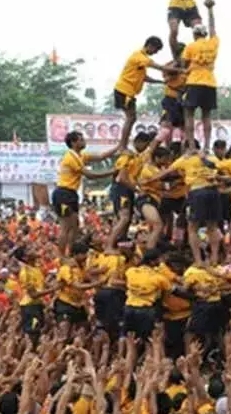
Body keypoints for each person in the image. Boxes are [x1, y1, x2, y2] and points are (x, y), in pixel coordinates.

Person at [53, 115, 133, 256]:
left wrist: (118, 147)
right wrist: (112, 172)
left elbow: (101, 156)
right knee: (66, 227)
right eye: (81, 139)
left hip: (71, 194)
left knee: (75, 227)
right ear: (73, 142)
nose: (84, 141)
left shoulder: (80, 155)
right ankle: (61, 256)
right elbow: (89, 175)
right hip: (63, 193)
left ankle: (70, 253)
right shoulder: (70, 157)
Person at [181, 17, 220, 162]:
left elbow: (184, 64)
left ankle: (191, 147)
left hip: (194, 82)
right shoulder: (213, 43)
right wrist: (210, 10)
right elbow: (213, 28)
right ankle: (207, 147)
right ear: (205, 34)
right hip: (210, 83)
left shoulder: (190, 47)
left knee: (189, 114)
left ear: (195, 34)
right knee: (206, 116)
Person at [114, 37, 179, 119]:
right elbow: (160, 67)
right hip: (123, 90)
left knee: (131, 118)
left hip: (127, 91)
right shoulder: (139, 56)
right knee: (131, 118)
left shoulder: (142, 58)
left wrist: (161, 82)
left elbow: (145, 78)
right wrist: (181, 70)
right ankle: (126, 132)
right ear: (150, 46)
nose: (156, 52)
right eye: (156, 50)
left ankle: (127, 132)